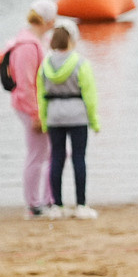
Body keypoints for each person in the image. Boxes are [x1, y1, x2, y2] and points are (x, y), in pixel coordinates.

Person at [35, 23, 100, 218]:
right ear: (71, 40)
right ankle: (81, 204)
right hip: (77, 115)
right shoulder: (81, 63)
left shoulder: (45, 65)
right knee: (79, 158)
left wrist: (44, 119)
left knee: (56, 159)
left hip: (55, 116)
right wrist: (94, 120)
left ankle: (57, 205)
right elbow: (89, 94)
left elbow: (41, 95)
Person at [4, 0, 57, 216]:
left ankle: (48, 199)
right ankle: (35, 203)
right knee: (37, 154)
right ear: (48, 20)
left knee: (50, 152)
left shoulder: (35, 41)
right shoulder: (27, 46)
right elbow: (25, 84)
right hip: (30, 107)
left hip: (38, 105)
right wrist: (36, 114)